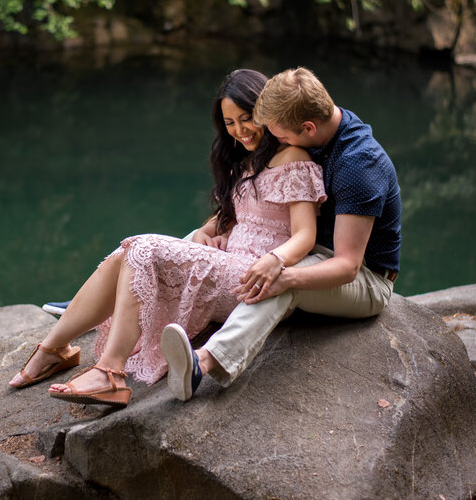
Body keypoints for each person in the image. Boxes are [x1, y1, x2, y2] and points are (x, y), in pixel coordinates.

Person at [8, 69, 327, 407]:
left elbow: (305, 235)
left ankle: (110, 373)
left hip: (254, 278)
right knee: (125, 254)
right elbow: (239, 213)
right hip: (227, 268)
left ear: (265, 113)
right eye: (229, 123)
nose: (239, 130)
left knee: (142, 248)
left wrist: (274, 260)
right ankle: (55, 348)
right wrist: (208, 231)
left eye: (246, 118)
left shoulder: (293, 158)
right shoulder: (245, 161)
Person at [160, 66, 401, 401]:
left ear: (307, 128)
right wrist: (213, 230)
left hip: (363, 278)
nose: (277, 142)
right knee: (196, 243)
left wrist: (283, 274)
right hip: (313, 250)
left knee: (280, 279)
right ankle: (124, 298)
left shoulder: (358, 164)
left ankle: (204, 362)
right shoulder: (318, 123)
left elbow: (347, 266)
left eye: (283, 137)